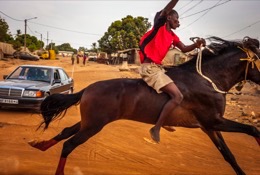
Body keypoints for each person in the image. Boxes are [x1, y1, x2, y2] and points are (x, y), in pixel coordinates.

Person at [139, 0, 206, 143]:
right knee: (177, 96)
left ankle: (165, 118)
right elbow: (167, 8)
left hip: (157, 67)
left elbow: (184, 48)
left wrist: (196, 44)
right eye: (177, 19)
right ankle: (156, 127)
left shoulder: (173, 36)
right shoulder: (160, 26)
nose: (179, 22)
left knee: (177, 87)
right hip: (149, 68)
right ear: (169, 18)